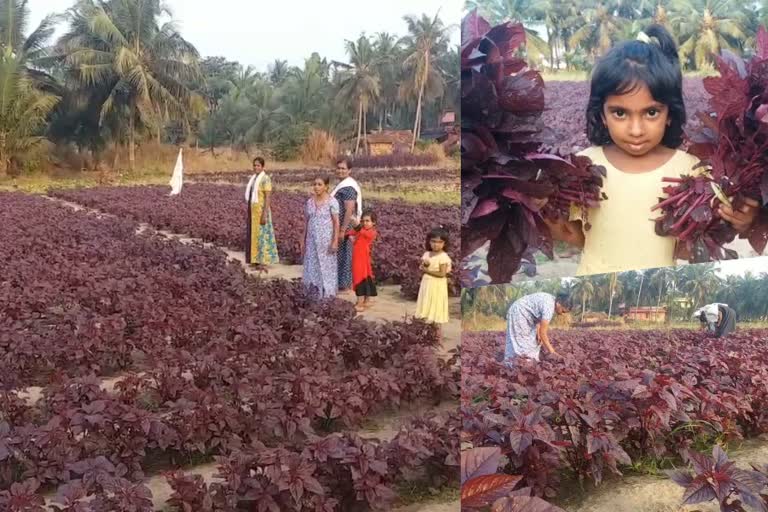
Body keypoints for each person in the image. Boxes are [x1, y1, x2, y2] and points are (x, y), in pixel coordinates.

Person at [541, 25, 759, 276]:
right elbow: (580, 239)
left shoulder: (691, 170)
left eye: (651, 112)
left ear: (669, 114)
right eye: (620, 113)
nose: (636, 130)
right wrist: (551, 220)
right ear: (601, 113)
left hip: (653, 284)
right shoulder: (583, 165)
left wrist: (741, 221)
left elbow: (689, 249)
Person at [504, 293, 572, 363]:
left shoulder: (550, 299)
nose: (561, 314)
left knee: (533, 340)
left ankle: (519, 362)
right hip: (519, 313)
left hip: (522, 312)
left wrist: (538, 331)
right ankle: (521, 364)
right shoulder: (549, 308)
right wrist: (553, 352)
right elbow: (543, 333)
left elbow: (537, 314)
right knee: (522, 341)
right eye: (563, 311)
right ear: (559, 304)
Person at [301, 176, 340, 299]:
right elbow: (306, 222)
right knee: (312, 266)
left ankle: (328, 295)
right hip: (311, 241)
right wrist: (303, 239)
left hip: (326, 241)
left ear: (326, 187)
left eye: (319, 184)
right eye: (315, 184)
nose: (316, 187)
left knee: (327, 267)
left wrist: (334, 241)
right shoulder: (310, 202)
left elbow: (336, 223)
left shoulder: (332, 202)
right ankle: (313, 294)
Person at [331, 158, 362, 293]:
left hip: (346, 225)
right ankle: (340, 283)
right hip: (341, 224)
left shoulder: (348, 187)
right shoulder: (343, 184)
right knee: (341, 253)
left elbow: (349, 209)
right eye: (338, 168)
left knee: (344, 253)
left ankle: (343, 285)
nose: (340, 171)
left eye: (343, 168)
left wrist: (343, 230)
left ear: (349, 170)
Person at [415, 226, 452, 339]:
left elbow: (442, 274)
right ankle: (426, 335)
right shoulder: (427, 254)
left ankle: (437, 336)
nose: (436, 244)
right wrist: (424, 265)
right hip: (427, 284)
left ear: (444, 243)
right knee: (426, 306)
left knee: (435, 308)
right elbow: (423, 266)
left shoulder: (443, 257)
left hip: (437, 285)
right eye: (433, 242)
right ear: (429, 242)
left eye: (440, 242)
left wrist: (426, 270)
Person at [244, 157, 279, 272]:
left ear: (263, 167)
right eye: (254, 165)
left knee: (263, 236)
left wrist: (264, 214)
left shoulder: (265, 179)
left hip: (261, 212)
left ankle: (263, 262)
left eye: (258, 165)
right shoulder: (254, 179)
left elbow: (268, 197)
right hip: (253, 212)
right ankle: (255, 260)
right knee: (254, 236)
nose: (256, 167)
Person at [346, 210, 378, 312]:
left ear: (374, 223)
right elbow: (352, 232)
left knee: (359, 278)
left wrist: (356, 225)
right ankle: (366, 301)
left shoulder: (372, 232)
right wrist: (345, 235)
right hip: (359, 258)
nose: (365, 223)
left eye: (367, 221)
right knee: (365, 278)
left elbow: (362, 233)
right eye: (363, 221)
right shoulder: (362, 229)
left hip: (362, 260)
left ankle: (360, 303)